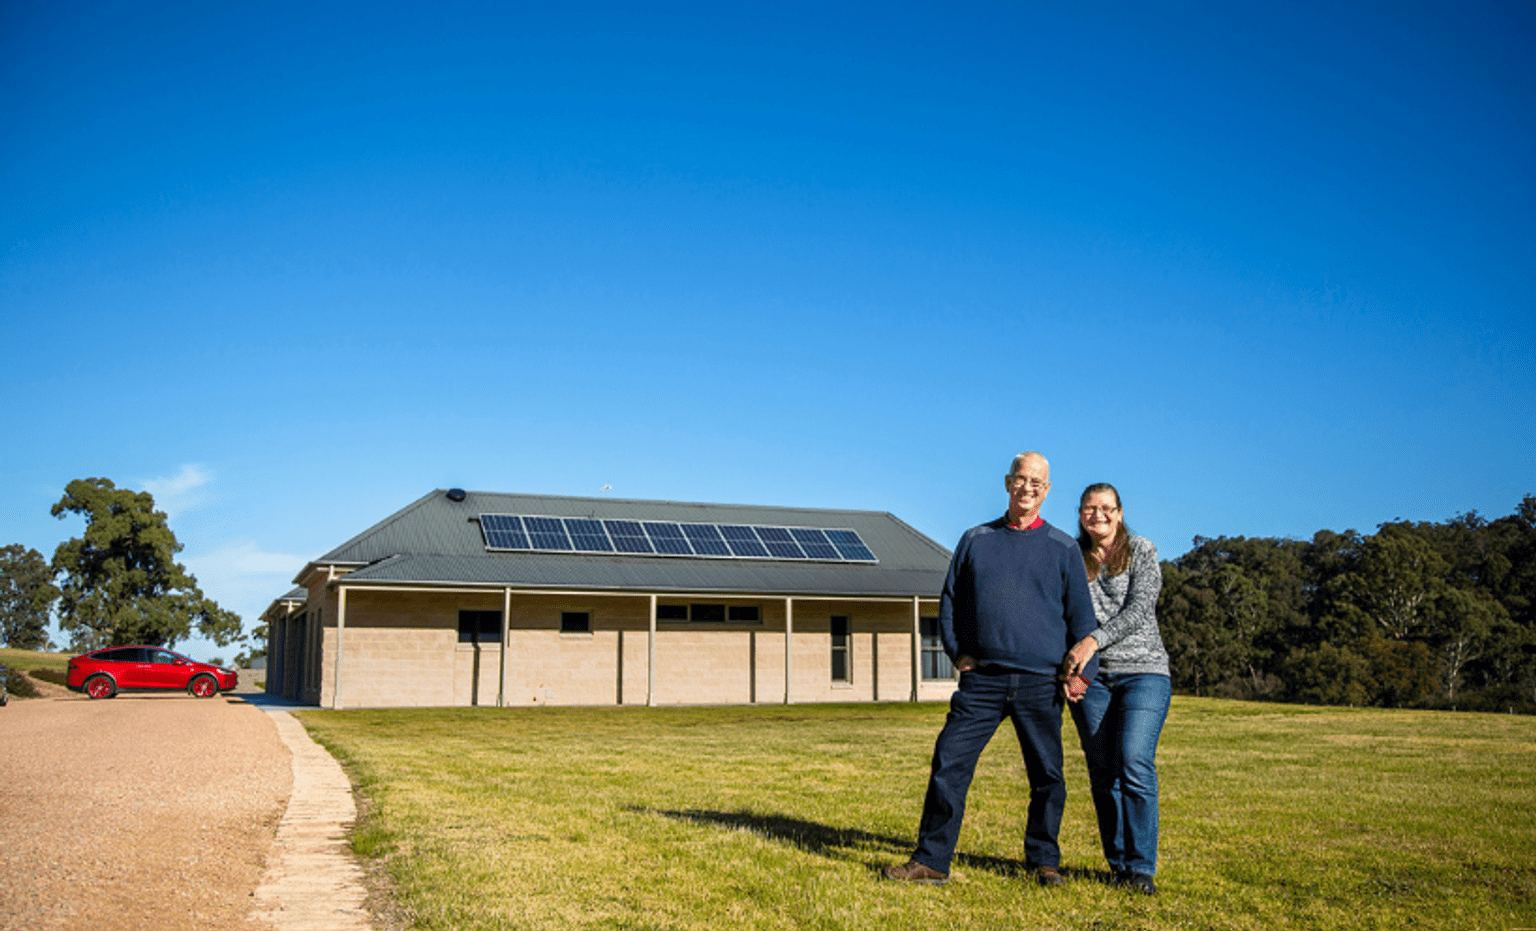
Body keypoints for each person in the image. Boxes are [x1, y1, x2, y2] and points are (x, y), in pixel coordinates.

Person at [884, 451, 1099, 887]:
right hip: (982, 681)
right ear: (1007, 483)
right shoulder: (975, 539)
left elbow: (1083, 622)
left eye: (1037, 483)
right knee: (949, 763)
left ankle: (1044, 861)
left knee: (1047, 775)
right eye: (1021, 479)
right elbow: (950, 602)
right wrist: (958, 652)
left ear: (1048, 490)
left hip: (1041, 683)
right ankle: (931, 861)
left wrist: (1080, 673)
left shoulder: (1063, 548)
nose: (1028, 488)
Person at [1062, 482, 1171, 896]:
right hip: (1092, 679)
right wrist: (1072, 671)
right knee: (1102, 772)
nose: (1098, 515)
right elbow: (1065, 614)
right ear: (1081, 514)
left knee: (1133, 760)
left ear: (1120, 513)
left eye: (1106, 508)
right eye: (1090, 508)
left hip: (1144, 673)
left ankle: (1142, 867)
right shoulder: (1073, 557)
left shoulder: (1141, 550)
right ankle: (1119, 864)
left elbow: (1140, 609)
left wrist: (1091, 641)